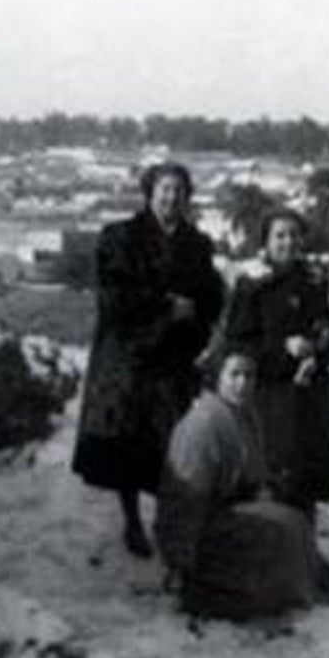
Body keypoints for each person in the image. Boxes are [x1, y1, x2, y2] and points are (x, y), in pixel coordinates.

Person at [72, 162, 224, 557]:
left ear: (187, 197)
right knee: (128, 441)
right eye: (164, 189)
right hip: (130, 359)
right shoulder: (120, 237)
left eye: (179, 190)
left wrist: (195, 310)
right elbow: (113, 297)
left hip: (175, 359)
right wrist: (165, 307)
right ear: (149, 192)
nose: (171, 198)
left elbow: (213, 295)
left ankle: (167, 518)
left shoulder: (197, 244)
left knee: (173, 443)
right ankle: (132, 520)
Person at [154, 346, 329, 621]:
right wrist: (180, 564)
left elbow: (253, 470)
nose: (242, 384)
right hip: (203, 530)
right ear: (217, 377)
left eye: (249, 376)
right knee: (280, 531)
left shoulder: (244, 414)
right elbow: (184, 501)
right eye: (234, 375)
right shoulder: (202, 425)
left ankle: (299, 588)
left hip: (234, 510)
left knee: (294, 520)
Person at [225, 211, 329, 520]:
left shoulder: (312, 278)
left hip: (309, 391)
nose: (288, 242)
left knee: (306, 481)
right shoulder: (251, 283)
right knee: (272, 478)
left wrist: (318, 351)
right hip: (270, 393)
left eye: (294, 235)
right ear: (266, 242)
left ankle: (305, 552)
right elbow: (239, 341)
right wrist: (282, 348)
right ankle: (273, 554)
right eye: (280, 235)